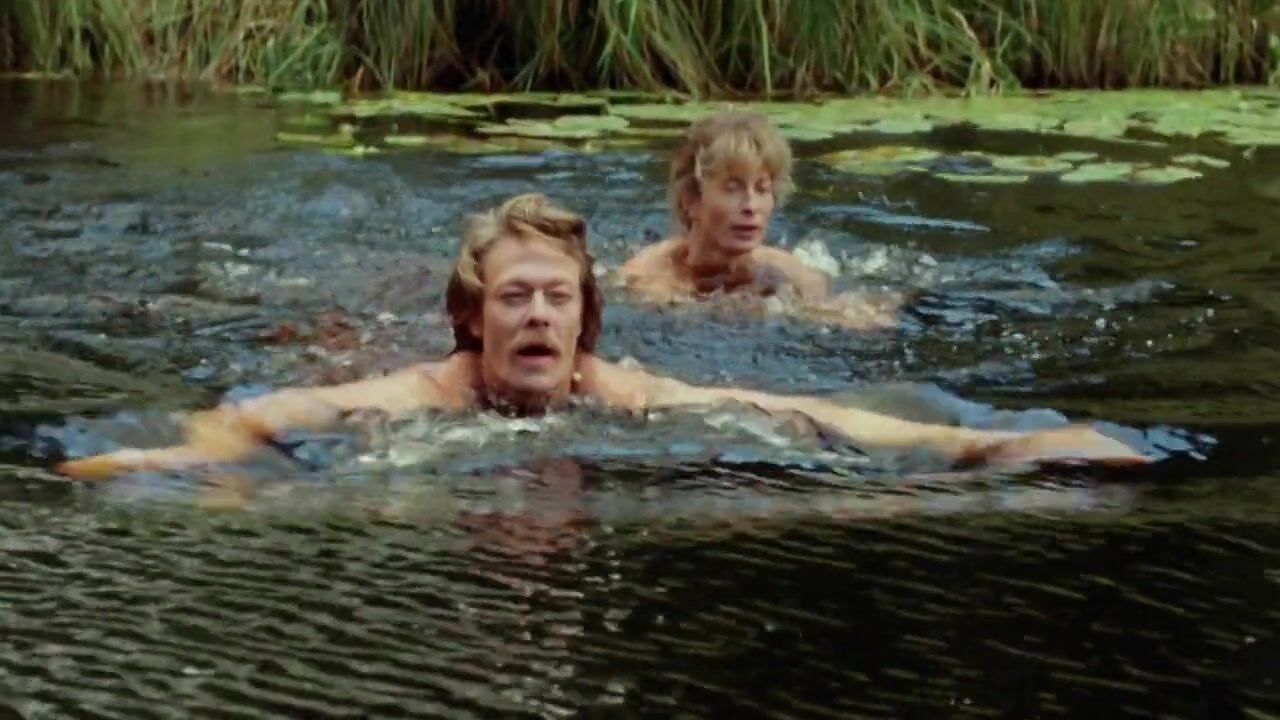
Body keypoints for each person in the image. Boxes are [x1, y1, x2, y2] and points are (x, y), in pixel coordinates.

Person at [55, 193, 1150, 481]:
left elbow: (797, 411)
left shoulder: (617, 390)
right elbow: (281, 412)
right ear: (471, 318)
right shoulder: (430, 393)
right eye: (514, 297)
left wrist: (982, 444)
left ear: (586, 321)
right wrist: (198, 457)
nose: (537, 314)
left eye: (556, 298)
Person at [616, 110, 904, 329]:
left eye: (762, 189)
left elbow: (838, 306)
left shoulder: (788, 270)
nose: (751, 206)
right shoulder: (647, 276)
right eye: (732, 188)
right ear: (692, 199)